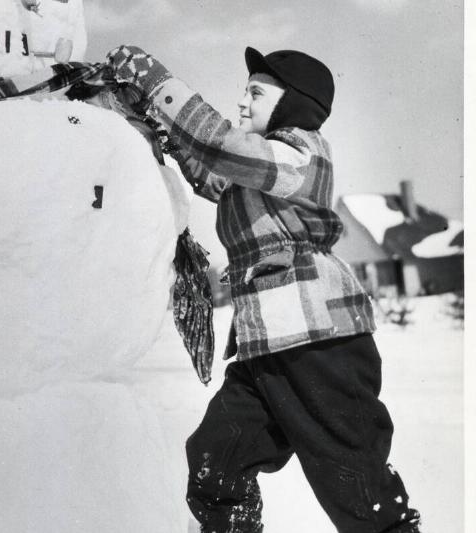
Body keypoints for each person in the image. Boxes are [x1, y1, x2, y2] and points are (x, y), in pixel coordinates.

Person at [104, 45, 422, 533]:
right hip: (265, 349)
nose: (243, 103)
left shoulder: (301, 153)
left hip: (322, 344)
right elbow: (211, 172)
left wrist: (157, 85)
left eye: (256, 92)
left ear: (293, 103)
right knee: (216, 458)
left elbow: (225, 150)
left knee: (356, 485)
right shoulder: (254, 174)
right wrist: (153, 123)